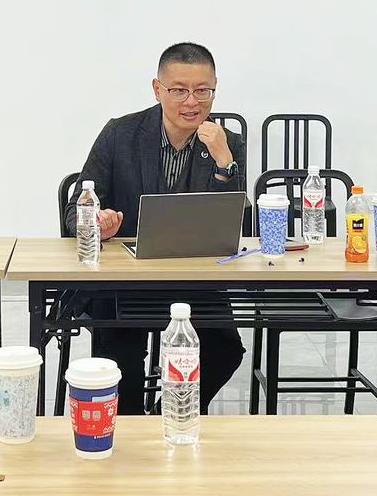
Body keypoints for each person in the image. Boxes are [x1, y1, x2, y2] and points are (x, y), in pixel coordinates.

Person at [65, 42, 246, 415]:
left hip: (195, 279)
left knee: (225, 350)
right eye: (179, 90)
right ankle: (132, 427)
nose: (191, 102)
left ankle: (170, 414)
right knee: (119, 357)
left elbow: (232, 221)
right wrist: (98, 223)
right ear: (157, 89)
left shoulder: (226, 143)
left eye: (203, 91)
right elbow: (76, 208)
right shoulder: (120, 134)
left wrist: (224, 163)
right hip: (125, 281)